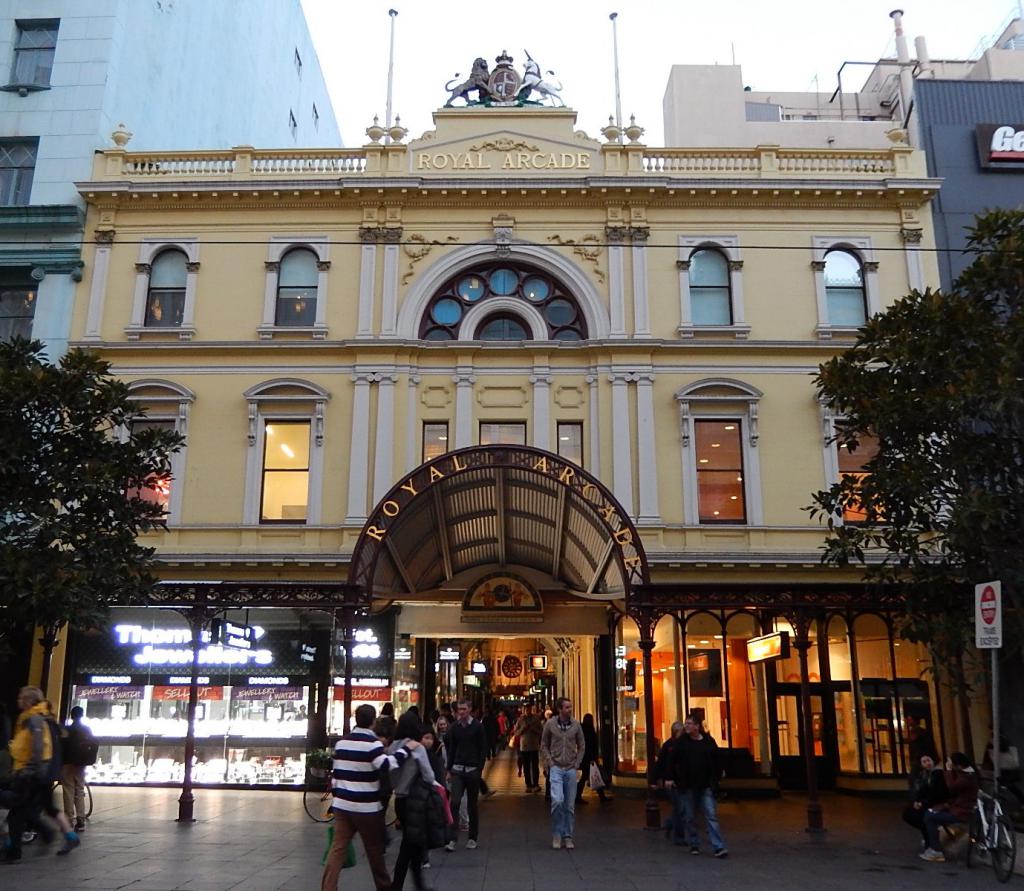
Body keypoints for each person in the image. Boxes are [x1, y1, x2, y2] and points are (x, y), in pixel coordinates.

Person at [320, 703, 421, 891]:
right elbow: (386, 765)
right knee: (374, 850)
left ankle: (328, 887)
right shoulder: (372, 744)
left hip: (343, 806)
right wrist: (406, 749)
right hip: (366, 808)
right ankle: (384, 887)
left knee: (337, 849)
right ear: (373, 722)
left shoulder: (341, 743)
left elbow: (336, 774)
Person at [1, 687, 60, 864]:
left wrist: (30, 768)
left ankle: (43, 834)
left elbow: (38, 747)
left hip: (28, 772)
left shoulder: (34, 719)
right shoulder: (32, 717)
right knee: (19, 812)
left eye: (21, 697)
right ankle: (16, 849)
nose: (18, 700)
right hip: (26, 771)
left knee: (16, 807)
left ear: (28, 700)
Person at [390, 713, 444, 891]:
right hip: (414, 801)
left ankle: (417, 885)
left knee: (412, 843)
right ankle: (398, 885)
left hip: (398, 800)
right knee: (409, 844)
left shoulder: (393, 747)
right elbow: (429, 775)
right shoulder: (417, 748)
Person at [672, 715, 728, 858]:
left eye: (690, 724)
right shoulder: (681, 743)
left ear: (697, 726)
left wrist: (718, 775)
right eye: (686, 724)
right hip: (688, 785)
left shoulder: (708, 742)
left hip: (705, 785)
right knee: (690, 816)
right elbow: (673, 761)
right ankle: (694, 842)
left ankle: (718, 846)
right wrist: (673, 778)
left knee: (711, 815)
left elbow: (716, 759)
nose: (687, 726)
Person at [540, 697, 585, 850]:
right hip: (556, 768)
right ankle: (557, 833)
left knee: (569, 805)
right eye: (567, 707)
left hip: (570, 768)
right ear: (559, 709)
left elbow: (582, 745)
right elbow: (544, 744)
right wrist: (550, 762)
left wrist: (577, 763)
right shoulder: (550, 724)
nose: (570, 710)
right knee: (557, 801)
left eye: (570, 707)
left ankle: (568, 836)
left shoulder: (576, 725)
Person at [444, 699, 487, 852]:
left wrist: (479, 768)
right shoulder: (455, 727)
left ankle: (472, 837)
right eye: (459, 709)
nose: (461, 712)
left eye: (464, 709)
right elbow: (452, 748)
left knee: (472, 805)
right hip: (457, 769)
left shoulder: (477, 727)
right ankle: (452, 838)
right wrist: (449, 769)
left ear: (469, 709)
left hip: (472, 770)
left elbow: (483, 748)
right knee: (454, 802)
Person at [920, 752, 979, 863]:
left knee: (929, 817)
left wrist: (948, 771)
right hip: (959, 808)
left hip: (962, 812)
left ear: (957, 765)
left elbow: (951, 787)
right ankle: (933, 844)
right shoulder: (966, 774)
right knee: (930, 813)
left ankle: (935, 849)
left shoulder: (966, 778)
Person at [61, 706, 97, 832]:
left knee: (68, 790)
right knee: (79, 789)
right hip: (81, 764)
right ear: (82, 715)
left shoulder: (67, 729)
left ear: (71, 715)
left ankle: (69, 820)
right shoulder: (87, 729)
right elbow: (94, 743)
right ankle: (80, 819)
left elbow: (62, 746)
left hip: (67, 763)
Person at [902, 753, 948, 848]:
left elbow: (937, 793)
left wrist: (922, 803)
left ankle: (930, 839)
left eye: (928, 760)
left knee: (918, 816)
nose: (927, 763)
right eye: (924, 761)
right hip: (929, 802)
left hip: (936, 803)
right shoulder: (924, 775)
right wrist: (917, 801)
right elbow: (922, 791)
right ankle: (929, 837)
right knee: (910, 813)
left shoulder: (937, 774)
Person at [656, 721, 686, 842]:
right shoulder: (669, 746)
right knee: (679, 807)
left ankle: (670, 824)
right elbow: (663, 764)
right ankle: (678, 836)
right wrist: (662, 778)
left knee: (679, 808)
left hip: (681, 780)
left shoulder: (683, 744)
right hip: (672, 781)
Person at [577, 713, 610, 804]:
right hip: (589, 757)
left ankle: (601, 796)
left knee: (590, 776)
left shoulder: (582, 730)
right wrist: (594, 757)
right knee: (592, 775)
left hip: (585, 757)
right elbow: (592, 745)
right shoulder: (590, 731)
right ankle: (578, 796)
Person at [514, 705, 544, 793]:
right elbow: (516, 733)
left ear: (531, 710)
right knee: (526, 766)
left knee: (535, 766)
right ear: (523, 710)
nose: (527, 711)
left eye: (529, 709)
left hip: (534, 746)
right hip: (524, 746)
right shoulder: (520, 720)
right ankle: (528, 785)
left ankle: (536, 784)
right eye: (526, 710)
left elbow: (541, 731)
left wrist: (533, 729)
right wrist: (523, 729)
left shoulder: (536, 719)